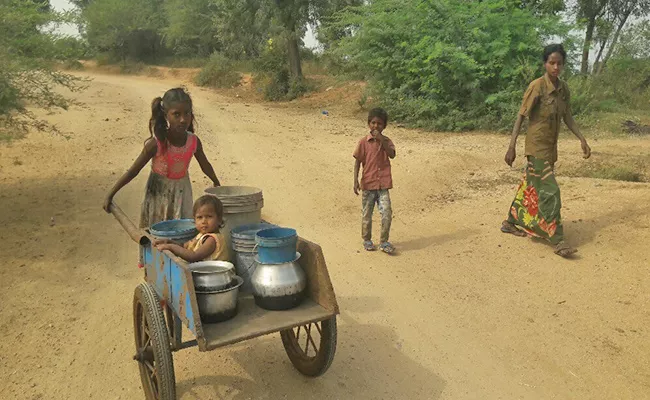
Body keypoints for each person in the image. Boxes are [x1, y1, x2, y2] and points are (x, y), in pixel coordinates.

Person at [501, 43, 591, 258]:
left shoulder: (563, 89)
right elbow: (521, 116)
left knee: (531, 185)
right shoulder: (537, 87)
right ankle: (558, 240)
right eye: (552, 63)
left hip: (551, 148)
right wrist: (511, 146)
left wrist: (582, 139)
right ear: (545, 64)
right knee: (550, 191)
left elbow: (567, 116)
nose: (556, 67)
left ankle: (510, 222)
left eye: (559, 63)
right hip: (536, 147)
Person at [102, 88, 221, 228]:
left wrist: (216, 182)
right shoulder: (156, 144)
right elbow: (133, 171)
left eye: (187, 113)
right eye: (176, 114)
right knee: (156, 231)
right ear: (166, 115)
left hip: (182, 193)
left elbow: (205, 164)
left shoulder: (193, 142)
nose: (183, 119)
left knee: (182, 232)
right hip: (158, 193)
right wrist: (111, 194)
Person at [353, 108, 397, 254]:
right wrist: (355, 181)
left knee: (387, 212)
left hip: (383, 184)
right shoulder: (363, 143)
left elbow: (392, 155)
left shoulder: (387, 141)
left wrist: (382, 141)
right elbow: (358, 161)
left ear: (384, 126)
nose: (376, 126)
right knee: (367, 213)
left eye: (379, 123)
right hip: (368, 183)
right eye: (373, 123)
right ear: (368, 124)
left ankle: (384, 241)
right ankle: (367, 239)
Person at [154, 195, 229, 262]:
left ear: (219, 219)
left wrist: (171, 247)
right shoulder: (201, 235)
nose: (204, 221)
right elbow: (184, 247)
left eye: (209, 216)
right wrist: (168, 242)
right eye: (199, 217)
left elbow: (194, 256)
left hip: (213, 276)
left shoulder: (212, 240)